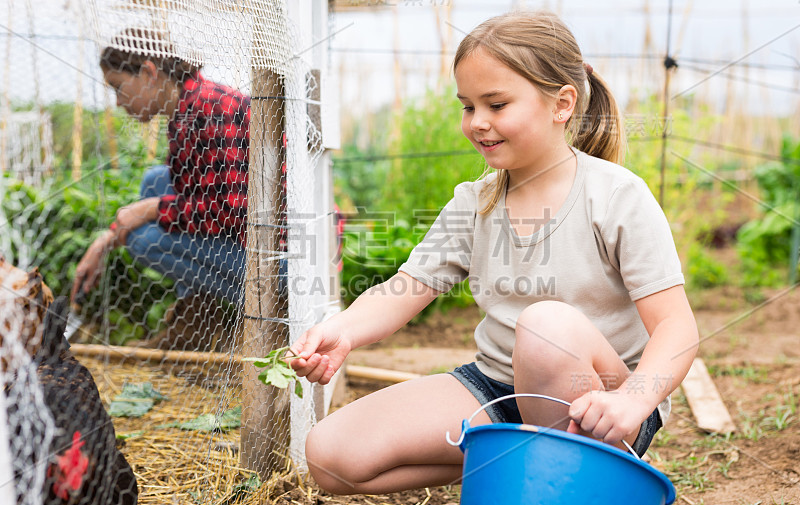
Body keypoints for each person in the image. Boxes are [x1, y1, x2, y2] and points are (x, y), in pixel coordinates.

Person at [289, 11, 699, 495]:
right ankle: (519, 460)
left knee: (547, 327)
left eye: (497, 104)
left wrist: (633, 400)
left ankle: (572, 482)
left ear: (562, 103)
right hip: (496, 386)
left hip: (602, 405)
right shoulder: (475, 202)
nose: (478, 122)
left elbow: (677, 328)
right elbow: (405, 289)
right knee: (331, 456)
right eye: (467, 106)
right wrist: (343, 331)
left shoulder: (615, 196)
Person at [70, 29, 264, 335]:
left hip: (277, 260)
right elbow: (198, 196)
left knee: (142, 240)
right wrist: (105, 240)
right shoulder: (186, 110)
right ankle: (196, 317)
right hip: (246, 240)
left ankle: (264, 309)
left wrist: (151, 210)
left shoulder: (211, 110)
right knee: (154, 182)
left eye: (119, 88)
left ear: (148, 72)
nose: (119, 102)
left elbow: (232, 212)